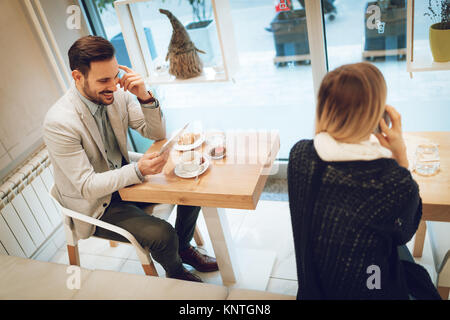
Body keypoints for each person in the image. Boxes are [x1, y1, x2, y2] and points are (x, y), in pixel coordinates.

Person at [43, 36, 218, 283]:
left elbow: (155, 133)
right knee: (162, 233)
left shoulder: (118, 95)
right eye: (103, 80)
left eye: (115, 76)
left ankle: (182, 247)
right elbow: (86, 186)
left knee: (192, 184)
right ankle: (176, 271)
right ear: (77, 77)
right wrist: (137, 171)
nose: (114, 86)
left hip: (125, 183)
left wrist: (144, 96)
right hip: (97, 204)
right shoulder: (59, 122)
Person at [288, 62, 441, 299]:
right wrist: (400, 155)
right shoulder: (390, 181)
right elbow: (405, 231)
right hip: (370, 291)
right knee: (414, 274)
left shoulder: (299, 155)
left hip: (314, 290)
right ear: (378, 115)